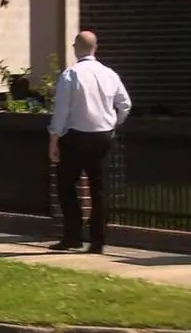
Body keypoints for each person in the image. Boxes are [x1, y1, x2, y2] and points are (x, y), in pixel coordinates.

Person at [48, 31, 132, 254]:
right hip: (103, 135)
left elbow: (62, 111)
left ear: (75, 47)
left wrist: (54, 139)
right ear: (96, 48)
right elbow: (125, 104)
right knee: (99, 188)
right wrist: (114, 123)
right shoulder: (109, 74)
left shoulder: (71, 75)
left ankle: (72, 236)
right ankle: (98, 240)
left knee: (66, 186)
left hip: (75, 136)